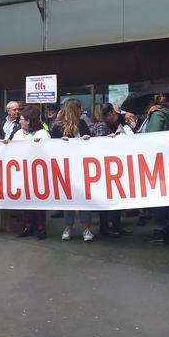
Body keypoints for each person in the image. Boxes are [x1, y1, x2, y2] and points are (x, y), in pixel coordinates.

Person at [50, 99, 95, 241]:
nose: (82, 110)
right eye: (79, 108)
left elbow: (91, 144)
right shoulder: (58, 127)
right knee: (68, 198)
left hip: (82, 167)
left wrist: (87, 139)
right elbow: (51, 147)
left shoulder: (82, 124)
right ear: (74, 109)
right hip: (66, 168)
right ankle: (68, 227)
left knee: (85, 198)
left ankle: (86, 229)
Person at [143, 94, 169, 244]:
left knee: (158, 197)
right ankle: (167, 228)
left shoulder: (157, 115)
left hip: (157, 162)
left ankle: (159, 231)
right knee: (166, 196)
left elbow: (151, 137)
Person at [9, 106, 51, 240]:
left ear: (29, 121)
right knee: (25, 201)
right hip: (22, 172)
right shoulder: (18, 133)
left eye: (22, 119)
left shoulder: (42, 134)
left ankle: (41, 228)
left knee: (38, 202)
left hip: (37, 173)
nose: (20, 121)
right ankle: (28, 225)